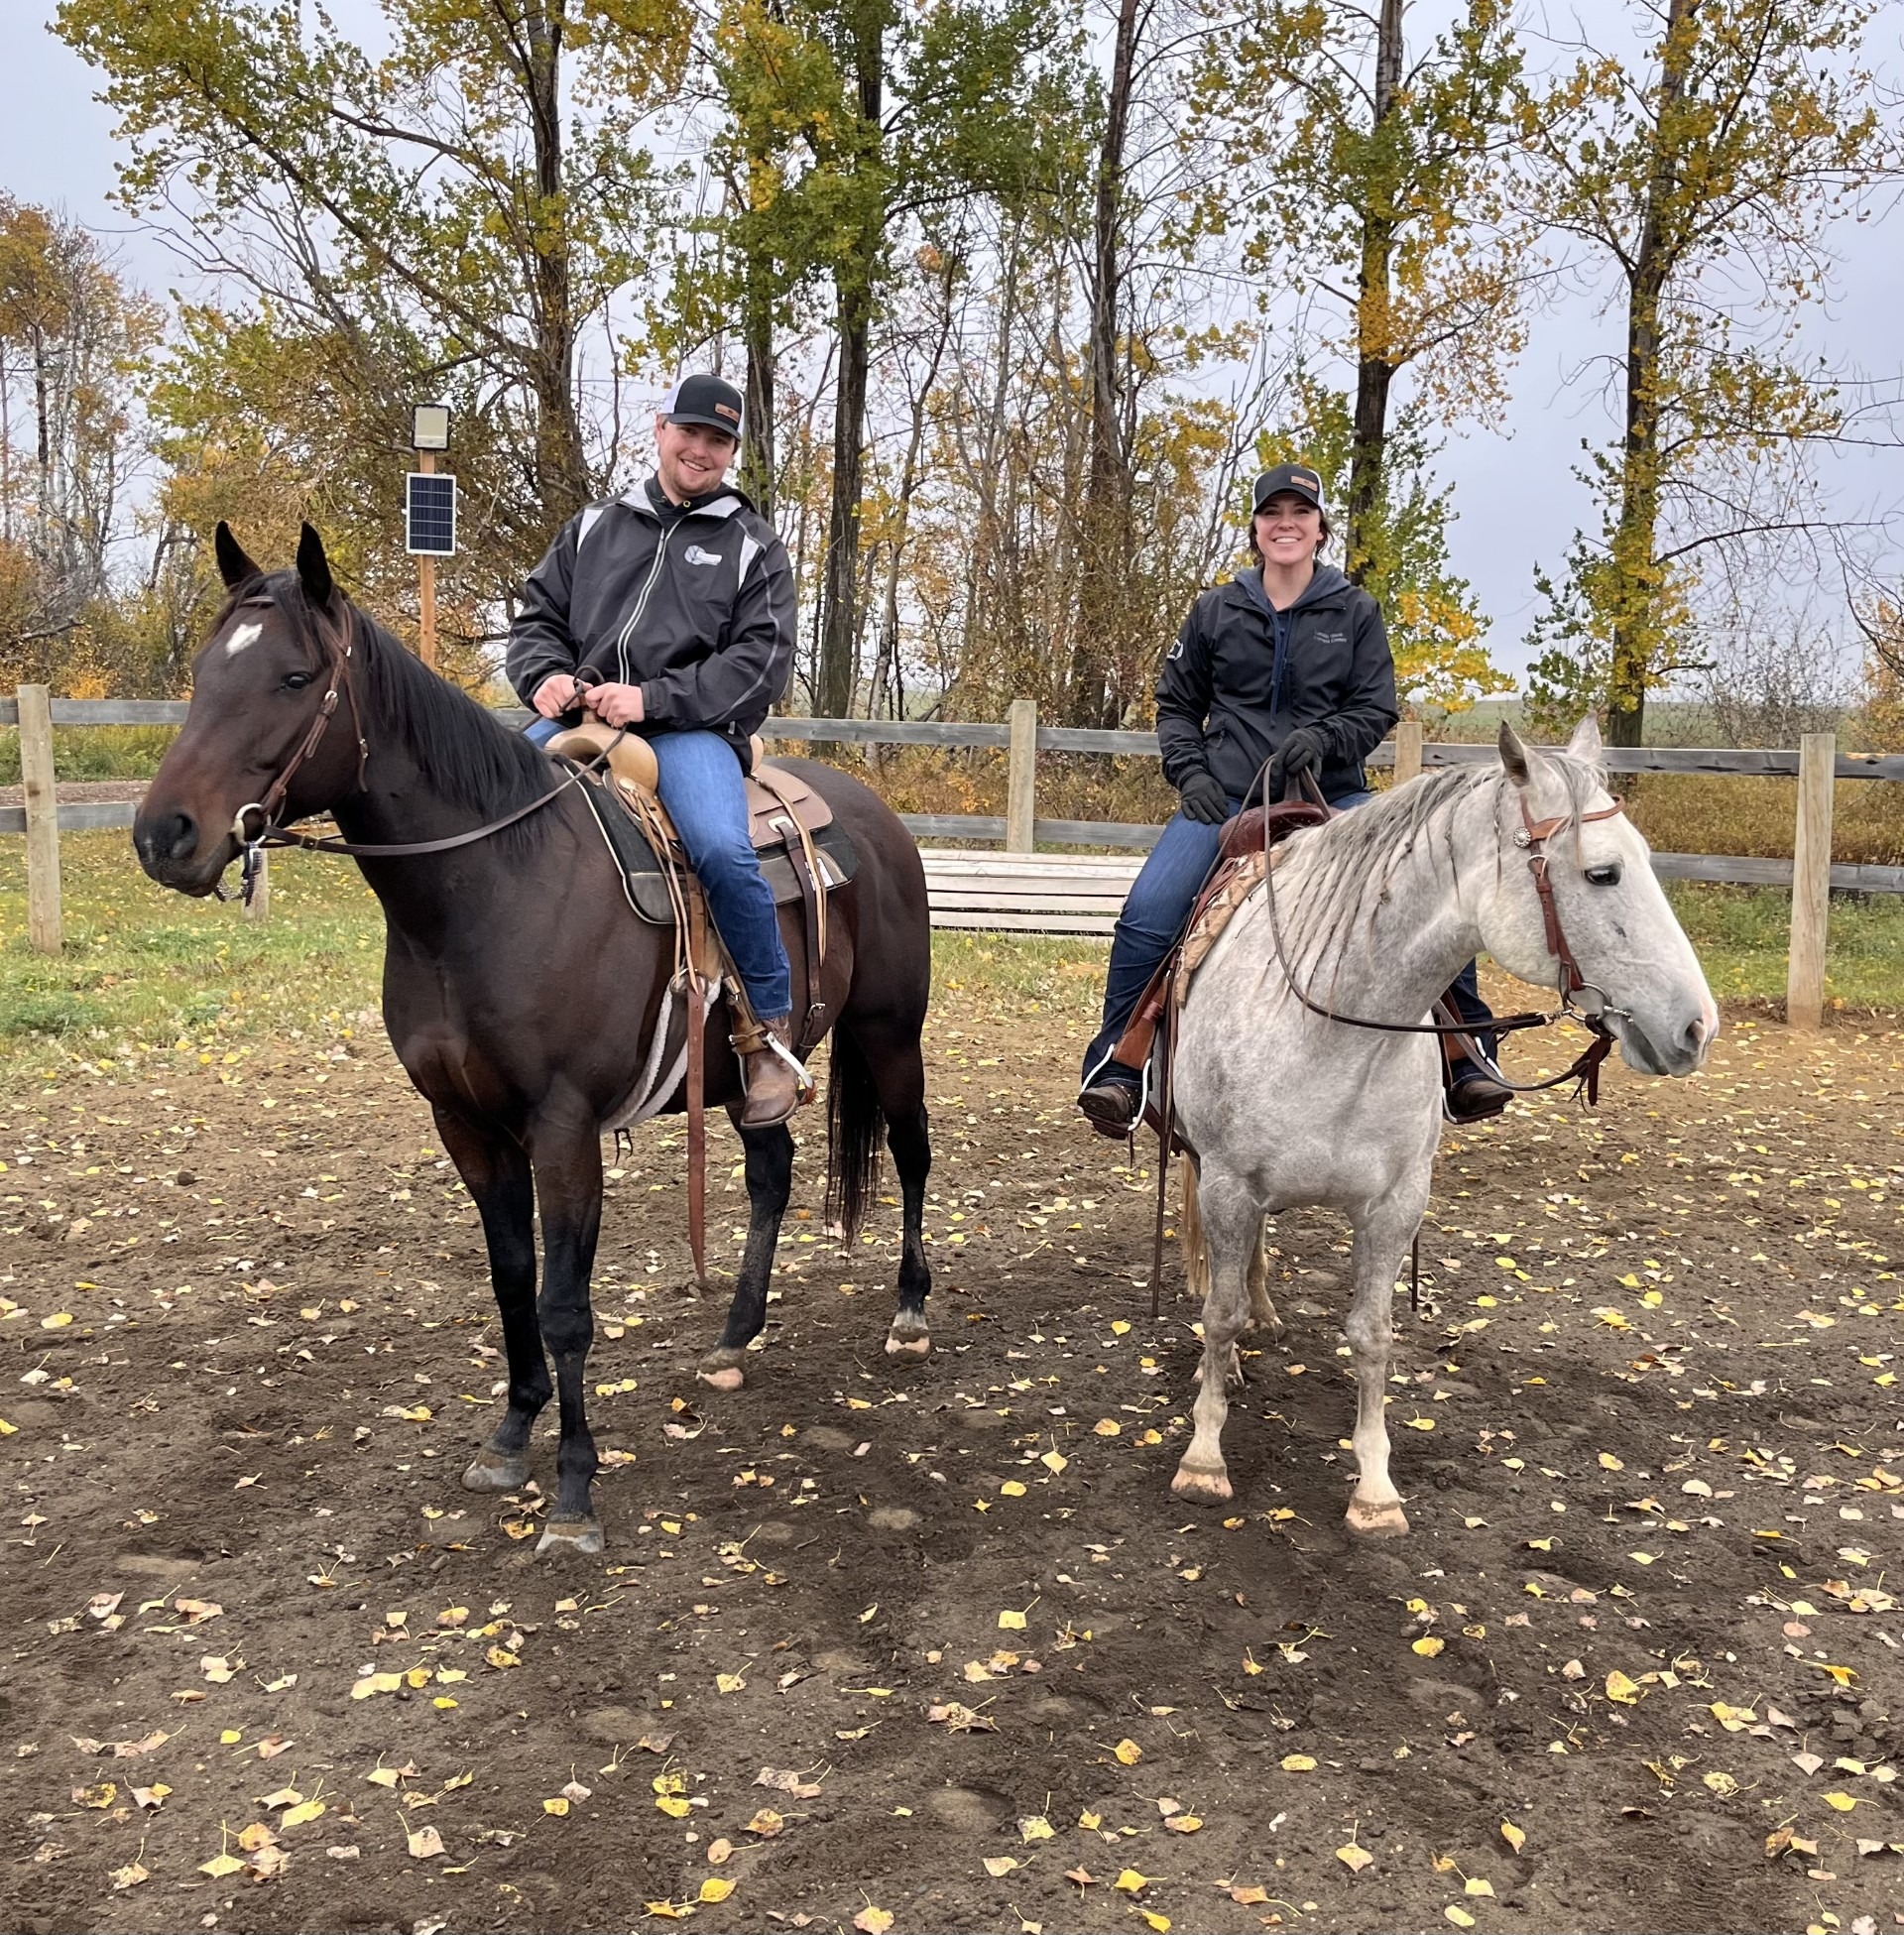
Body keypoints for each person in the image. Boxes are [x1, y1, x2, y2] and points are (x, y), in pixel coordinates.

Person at [1076, 461, 1509, 1136]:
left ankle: (1466, 1055)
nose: (1286, 524)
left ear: (1320, 528)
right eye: (1272, 513)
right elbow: (1177, 705)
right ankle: (1119, 1067)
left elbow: (1375, 707)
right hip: (1225, 797)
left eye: (1300, 513)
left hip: (1334, 796)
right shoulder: (1215, 610)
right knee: (1149, 910)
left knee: (1427, 886)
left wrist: (1327, 738)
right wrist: (1191, 774)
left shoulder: (1355, 611)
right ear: (1255, 529)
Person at [507, 372, 807, 1127]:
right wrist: (544, 676)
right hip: (581, 714)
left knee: (722, 852)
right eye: (689, 432)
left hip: (691, 731)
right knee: (490, 803)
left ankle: (766, 1035)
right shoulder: (595, 526)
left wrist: (653, 700)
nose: (700, 450)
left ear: (731, 452)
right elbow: (538, 617)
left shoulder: (753, 546)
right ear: (660, 430)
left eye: (718, 441)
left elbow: (759, 664)